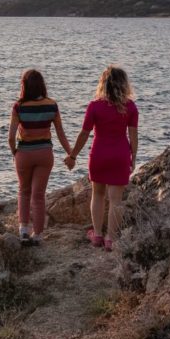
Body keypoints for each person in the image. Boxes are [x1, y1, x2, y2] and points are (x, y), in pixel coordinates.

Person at [65, 66, 138, 252]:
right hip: (120, 156)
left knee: (97, 194)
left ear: (103, 84)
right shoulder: (130, 107)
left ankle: (97, 235)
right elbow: (133, 137)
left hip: (99, 155)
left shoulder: (94, 106)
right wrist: (133, 158)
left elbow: (83, 134)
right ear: (124, 84)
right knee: (116, 200)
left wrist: (73, 155)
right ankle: (111, 239)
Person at [8, 69, 73, 245]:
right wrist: (71, 154)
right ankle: (37, 235)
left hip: (24, 154)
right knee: (38, 195)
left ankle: (23, 230)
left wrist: (15, 151)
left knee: (23, 191)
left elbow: (11, 137)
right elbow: (60, 133)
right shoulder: (52, 105)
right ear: (42, 85)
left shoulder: (18, 106)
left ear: (24, 86)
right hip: (45, 154)